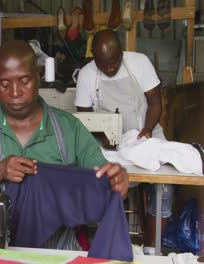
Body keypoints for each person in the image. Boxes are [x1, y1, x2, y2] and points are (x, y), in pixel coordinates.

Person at [0, 40, 129, 250]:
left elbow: (106, 187)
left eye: (24, 81)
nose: (15, 92)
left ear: (38, 77)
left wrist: (118, 182)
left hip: (56, 253)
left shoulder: (69, 129)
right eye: (4, 84)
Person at [74, 29, 172, 255]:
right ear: (94, 60)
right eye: (103, 65)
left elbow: (155, 102)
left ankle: (150, 249)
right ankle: (112, 245)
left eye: (114, 62)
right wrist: (101, 136)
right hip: (107, 139)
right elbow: (84, 119)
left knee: (165, 185)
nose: (109, 69)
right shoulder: (87, 75)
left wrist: (147, 129)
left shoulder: (140, 63)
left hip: (146, 132)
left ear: (122, 52)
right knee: (103, 181)